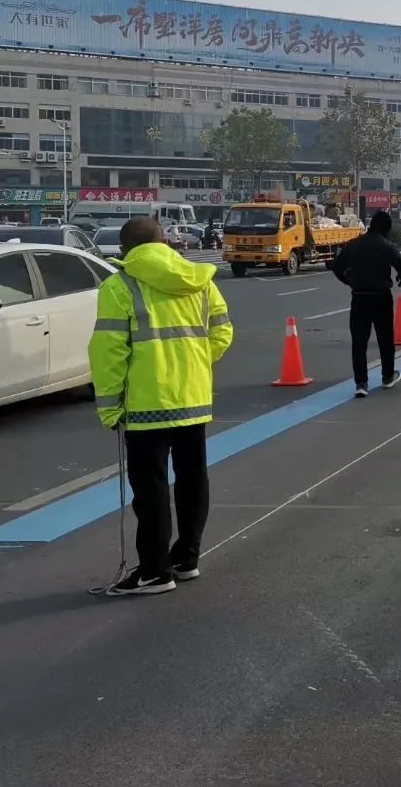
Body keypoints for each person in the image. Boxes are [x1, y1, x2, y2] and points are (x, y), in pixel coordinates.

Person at [88, 216, 233, 596]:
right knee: (192, 480)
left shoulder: (119, 286)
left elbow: (108, 353)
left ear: (124, 250)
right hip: (194, 400)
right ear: (165, 240)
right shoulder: (200, 282)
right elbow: (222, 332)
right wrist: (195, 365)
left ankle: (154, 571)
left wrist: (109, 407)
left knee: (150, 489)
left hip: (146, 405)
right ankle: (186, 559)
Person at [330, 209, 401, 397]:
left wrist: (348, 281)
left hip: (359, 296)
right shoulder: (387, 246)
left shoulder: (354, 245)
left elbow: (336, 266)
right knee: (385, 339)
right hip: (381, 297)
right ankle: (388, 376)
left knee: (359, 342)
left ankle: (361, 383)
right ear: (387, 229)